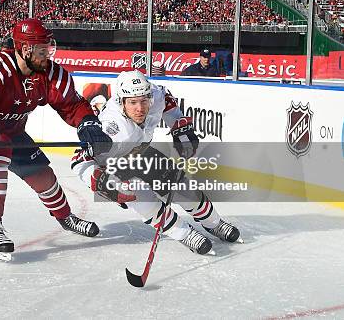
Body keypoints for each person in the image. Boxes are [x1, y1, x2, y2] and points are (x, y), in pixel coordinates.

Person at [0, 18, 113, 261]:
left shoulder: (49, 74)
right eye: (43, 50)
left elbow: (73, 105)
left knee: (43, 175)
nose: (48, 55)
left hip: (12, 131)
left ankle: (65, 217)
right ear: (25, 49)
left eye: (49, 49)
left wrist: (88, 124)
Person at [71, 70, 241, 255]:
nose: (140, 108)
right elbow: (79, 160)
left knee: (183, 188)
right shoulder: (113, 129)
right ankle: (184, 233)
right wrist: (100, 181)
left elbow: (166, 99)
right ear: (121, 102)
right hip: (116, 166)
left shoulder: (154, 95)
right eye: (133, 102)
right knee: (140, 199)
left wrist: (179, 126)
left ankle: (214, 224)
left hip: (140, 152)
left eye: (144, 101)